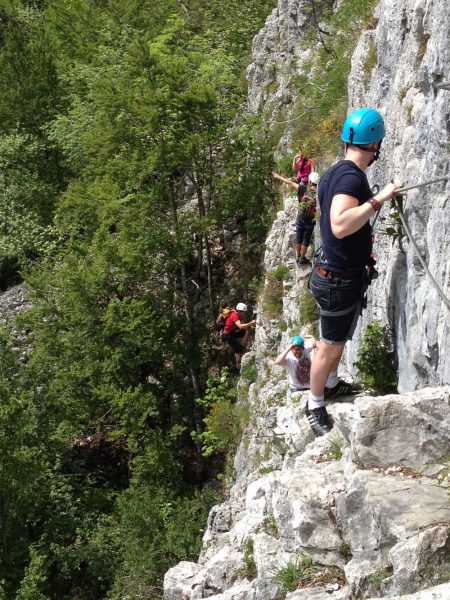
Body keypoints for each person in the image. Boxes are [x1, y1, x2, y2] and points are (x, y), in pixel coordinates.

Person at [307, 107, 398, 437]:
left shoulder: (334, 172)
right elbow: (341, 224)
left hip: (337, 274)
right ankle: (315, 404)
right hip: (337, 277)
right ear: (375, 145)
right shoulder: (350, 177)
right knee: (328, 346)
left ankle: (329, 385)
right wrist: (379, 200)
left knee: (339, 337)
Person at [272, 171, 320, 265]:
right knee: (306, 239)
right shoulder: (318, 193)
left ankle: (298, 256)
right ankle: (302, 258)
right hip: (310, 220)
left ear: (309, 182)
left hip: (300, 218)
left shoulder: (303, 189)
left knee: (299, 238)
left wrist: (278, 177)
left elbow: (290, 183)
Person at [221, 302, 256, 370]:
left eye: (244, 312)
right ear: (239, 311)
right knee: (237, 349)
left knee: (245, 331)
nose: (243, 313)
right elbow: (240, 326)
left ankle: (243, 347)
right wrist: (251, 323)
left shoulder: (239, 315)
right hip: (226, 335)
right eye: (242, 312)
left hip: (231, 332)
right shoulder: (235, 315)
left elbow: (242, 326)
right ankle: (238, 363)